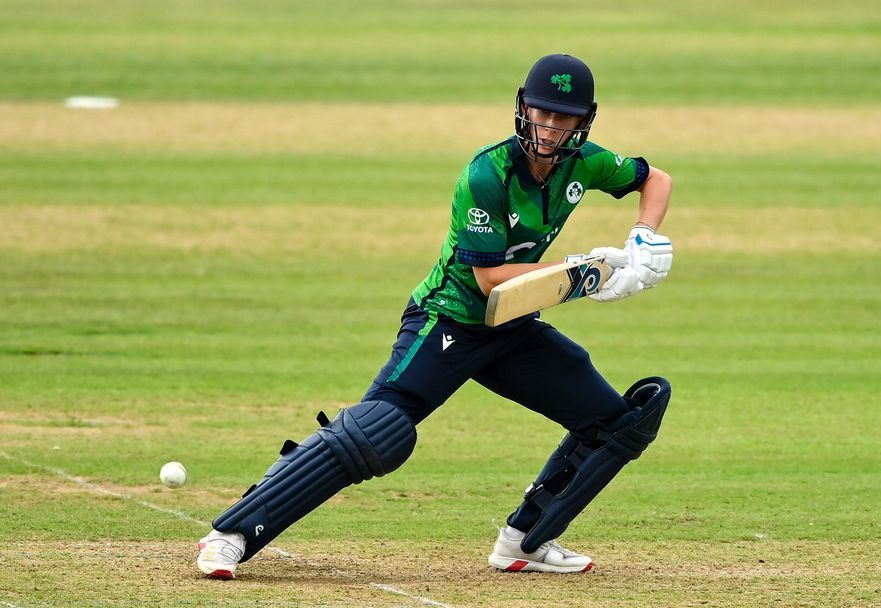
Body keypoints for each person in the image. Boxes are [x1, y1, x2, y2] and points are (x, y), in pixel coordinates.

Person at [197, 53, 674, 579]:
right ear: (522, 108)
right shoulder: (485, 175)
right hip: (446, 321)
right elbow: (489, 278)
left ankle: (526, 541)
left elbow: (657, 179)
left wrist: (643, 236)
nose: (550, 128)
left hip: (512, 328)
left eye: (564, 118)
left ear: (584, 122)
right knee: (374, 432)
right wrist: (588, 271)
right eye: (542, 113)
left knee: (615, 423)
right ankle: (232, 533)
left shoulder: (587, 163)